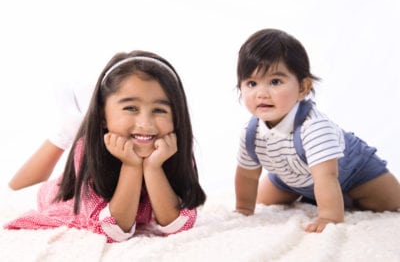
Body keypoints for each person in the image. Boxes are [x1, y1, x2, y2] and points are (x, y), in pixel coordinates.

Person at [5, 50, 206, 242]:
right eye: (131, 108)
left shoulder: (171, 149)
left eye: (159, 110)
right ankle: (66, 131)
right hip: (58, 195)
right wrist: (131, 166)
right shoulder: (88, 150)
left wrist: (153, 168)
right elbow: (113, 230)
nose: (146, 123)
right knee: (13, 194)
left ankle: (77, 124)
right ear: (102, 116)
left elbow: (178, 225)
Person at [234, 28, 400, 233]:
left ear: (303, 88)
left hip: (353, 170)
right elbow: (247, 176)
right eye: (251, 83)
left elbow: (327, 177)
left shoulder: (313, 127)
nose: (262, 93)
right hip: (294, 176)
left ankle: (343, 197)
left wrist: (329, 216)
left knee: (390, 202)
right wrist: (243, 209)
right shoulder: (251, 133)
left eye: (275, 82)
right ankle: (316, 196)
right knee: (264, 200)